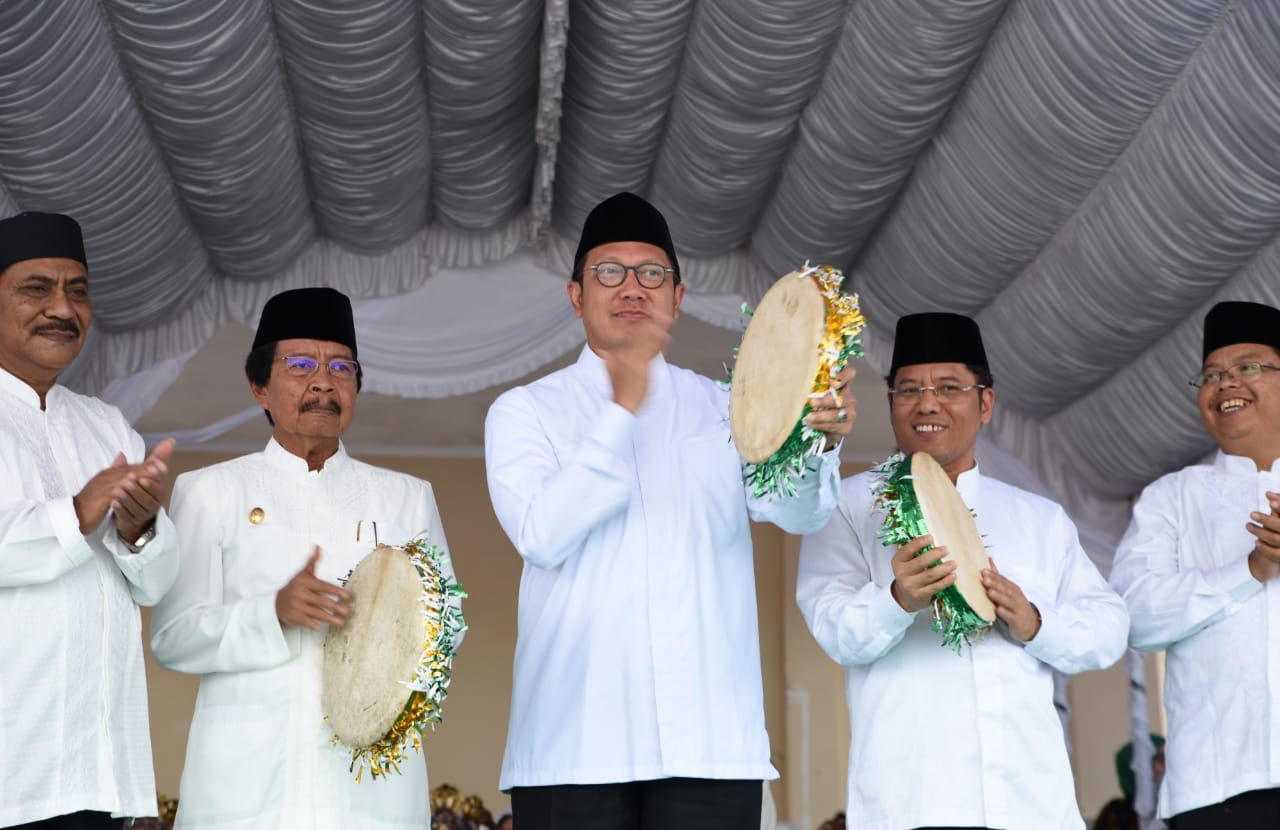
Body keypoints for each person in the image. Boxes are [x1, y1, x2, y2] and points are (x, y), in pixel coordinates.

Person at [484, 192, 854, 830]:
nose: (632, 287)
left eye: (651, 273)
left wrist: (815, 442)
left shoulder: (725, 407)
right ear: (577, 296)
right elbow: (541, 534)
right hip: (574, 747)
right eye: (610, 271)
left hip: (709, 747)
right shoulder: (525, 411)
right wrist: (620, 410)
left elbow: (798, 513)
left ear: (677, 298)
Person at [796, 311, 1128, 829]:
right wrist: (897, 600)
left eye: (948, 387)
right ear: (890, 405)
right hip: (911, 800)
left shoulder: (1038, 518)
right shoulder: (848, 505)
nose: (927, 403)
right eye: (909, 389)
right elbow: (833, 629)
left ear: (985, 402)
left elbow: (1110, 629)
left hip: (1029, 803)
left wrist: (1035, 622)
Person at [151, 287, 460, 829]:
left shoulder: (406, 496)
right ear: (259, 387)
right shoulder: (210, 492)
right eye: (299, 364)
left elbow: (447, 633)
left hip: (370, 789)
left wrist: (386, 627)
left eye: (342, 367)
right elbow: (173, 638)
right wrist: (273, 612)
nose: (323, 381)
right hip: (247, 788)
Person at [0, 211, 178, 829]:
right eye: (36, 288)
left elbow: (155, 584)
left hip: (100, 771)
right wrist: (77, 513)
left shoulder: (107, 426)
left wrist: (137, 530)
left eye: (77, 290)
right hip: (12, 773)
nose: (62, 307)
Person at [1110, 300, 1280, 828]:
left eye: (1248, 367)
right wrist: (1249, 570)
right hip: (1217, 785)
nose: (1226, 384)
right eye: (1211, 375)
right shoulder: (1170, 499)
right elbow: (1133, 618)